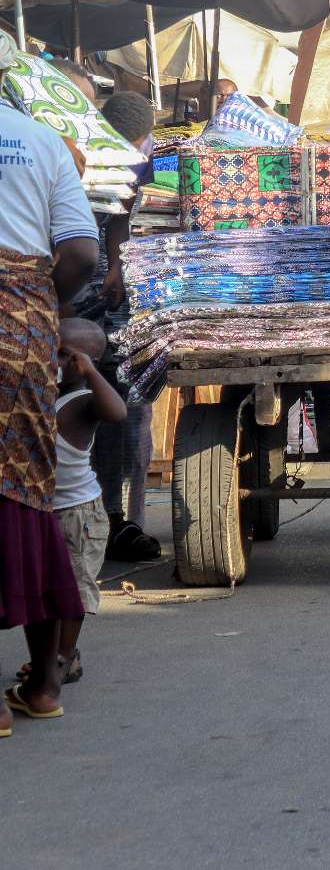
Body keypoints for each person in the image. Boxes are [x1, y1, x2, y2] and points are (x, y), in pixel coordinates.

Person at [0, 73, 99, 729]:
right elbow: (84, 254)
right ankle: (42, 686)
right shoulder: (41, 139)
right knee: (30, 492)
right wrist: (42, 305)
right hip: (24, 337)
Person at [84, 91, 162, 564]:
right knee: (127, 413)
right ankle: (117, 519)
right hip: (115, 307)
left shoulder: (86, 154)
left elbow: (118, 218)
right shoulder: (138, 160)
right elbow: (120, 218)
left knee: (103, 414)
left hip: (92, 303)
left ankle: (110, 517)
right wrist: (116, 267)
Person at [33, 319, 125, 687]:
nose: (50, 360)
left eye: (61, 354)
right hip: (45, 512)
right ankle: (49, 655)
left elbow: (118, 412)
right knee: (47, 590)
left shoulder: (84, 401)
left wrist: (91, 373)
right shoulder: (43, 394)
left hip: (79, 516)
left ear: (83, 361)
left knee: (74, 590)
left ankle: (64, 656)